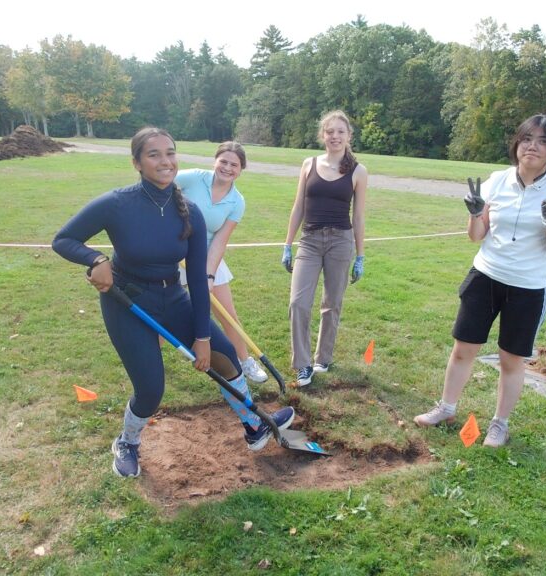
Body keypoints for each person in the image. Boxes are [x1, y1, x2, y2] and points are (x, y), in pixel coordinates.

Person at [52, 127, 295, 478]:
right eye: (154, 154)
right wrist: (95, 259)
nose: (165, 161)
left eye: (170, 153)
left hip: (173, 297)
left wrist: (203, 337)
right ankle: (127, 442)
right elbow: (64, 239)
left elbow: (196, 279)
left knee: (225, 355)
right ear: (137, 162)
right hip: (128, 303)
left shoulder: (190, 212)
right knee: (151, 389)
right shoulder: (117, 204)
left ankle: (254, 425)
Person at [413, 113, 546, 447]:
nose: (532, 147)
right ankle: (446, 408)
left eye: (542, 141)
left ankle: (499, 425)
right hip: (485, 276)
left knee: (511, 359)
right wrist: (476, 213)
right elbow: (476, 235)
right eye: (527, 139)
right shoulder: (497, 181)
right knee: (464, 348)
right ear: (517, 144)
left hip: (528, 287)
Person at [281, 110, 368, 387]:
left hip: (340, 242)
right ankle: (303, 364)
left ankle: (323, 358)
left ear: (349, 136)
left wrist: (360, 255)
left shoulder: (358, 171)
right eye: (330, 131)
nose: (335, 136)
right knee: (298, 303)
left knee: (332, 304)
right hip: (309, 241)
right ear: (323, 135)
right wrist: (287, 245)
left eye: (340, 132)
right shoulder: (309, 164)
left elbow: (358, 217)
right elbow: (298, 207)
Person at [174, 142, 269, 384]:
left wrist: (208, 276)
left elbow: (220, 241)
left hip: (206, 256)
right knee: (166, 311)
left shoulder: (237, 201)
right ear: (215, 161)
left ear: (241, 169)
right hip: (173, 253)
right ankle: (148, 364)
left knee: (228, 314)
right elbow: (160, 184)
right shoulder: (194, 178)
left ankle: (245, 361)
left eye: (234, 164)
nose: (227, 168)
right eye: (223, 161)